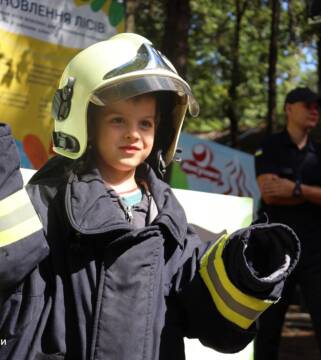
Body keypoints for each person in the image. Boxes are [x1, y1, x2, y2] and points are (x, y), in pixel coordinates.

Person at [0, 33, 300, 360]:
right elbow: (10, 266)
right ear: (83, 121)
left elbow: (208, 313)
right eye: (118, 120)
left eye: (145, 123)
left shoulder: (168, 217)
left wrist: (246, 269)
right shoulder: (48, 199)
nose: (133, 134)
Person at [254, 87, 321, 360]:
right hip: (274, 244)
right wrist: (315, 194)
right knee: (267, 325)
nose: (314, 110)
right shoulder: (269, 146)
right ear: (288, 108)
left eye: (317, 106)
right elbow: (270, 193)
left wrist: (295, 189)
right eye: (307, 104)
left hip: (314, 246)